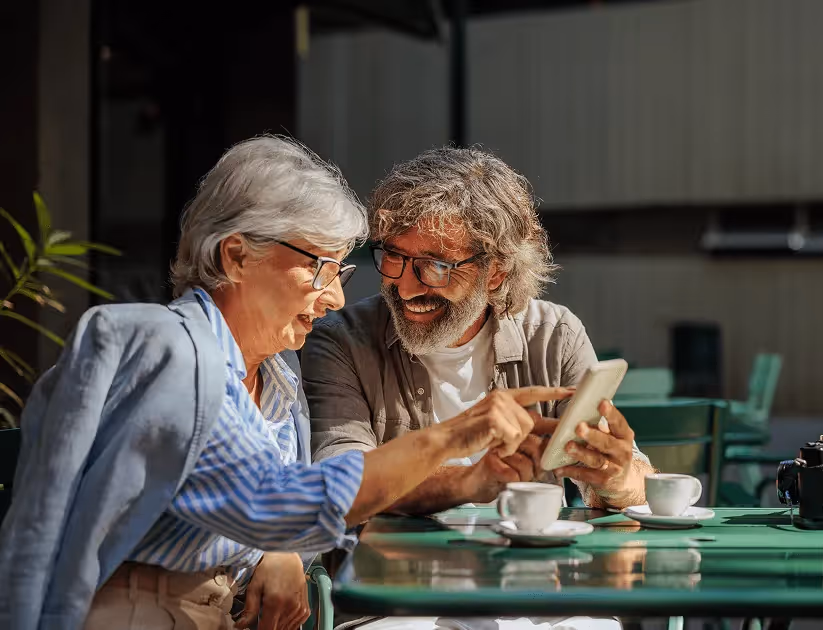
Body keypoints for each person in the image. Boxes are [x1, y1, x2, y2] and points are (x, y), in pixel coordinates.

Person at [0, 137, 567, 630]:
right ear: (237, 255)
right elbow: (277, 503)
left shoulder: (275, 380)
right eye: (320, 267)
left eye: (342, 271)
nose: (339, 296)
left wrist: (281, 553)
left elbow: (265, 510)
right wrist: (451, 437)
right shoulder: (167, 350)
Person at [304, 146, 655, 517]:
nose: (405, 287)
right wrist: (470, 481)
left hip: (529, 569)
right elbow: (338, 484)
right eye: (394, 256)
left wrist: (616, 479)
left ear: (497, 273)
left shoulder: (555, 336)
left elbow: (624, 480)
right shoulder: (341, 340)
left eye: (435, 266)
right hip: (391, 570)